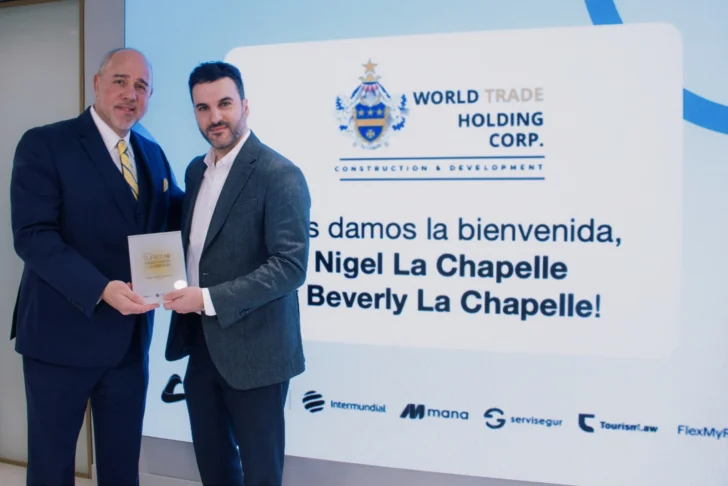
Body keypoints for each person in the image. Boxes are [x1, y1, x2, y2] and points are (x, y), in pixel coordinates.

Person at [10, 47, 183, 486]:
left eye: (141, 86)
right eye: (120, 81)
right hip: (59, 340)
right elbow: (33, 235)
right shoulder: (46, 144)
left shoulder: (152, 153)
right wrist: (101, 288)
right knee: (51, 469)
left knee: (121, 469)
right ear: (97, 84)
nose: (130, 94)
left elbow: (176, 218)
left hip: (128, 346)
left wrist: (225, 180)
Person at [163, 61, 310, 486]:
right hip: (201, 345)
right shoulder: (195, 171)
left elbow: (289, 266)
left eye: (224, 104)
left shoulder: (279, 174)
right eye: (203, 108)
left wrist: (208, 298)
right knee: (214, 467)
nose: (215, 117)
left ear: (244, 105)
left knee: (261, 473)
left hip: (258, 352)